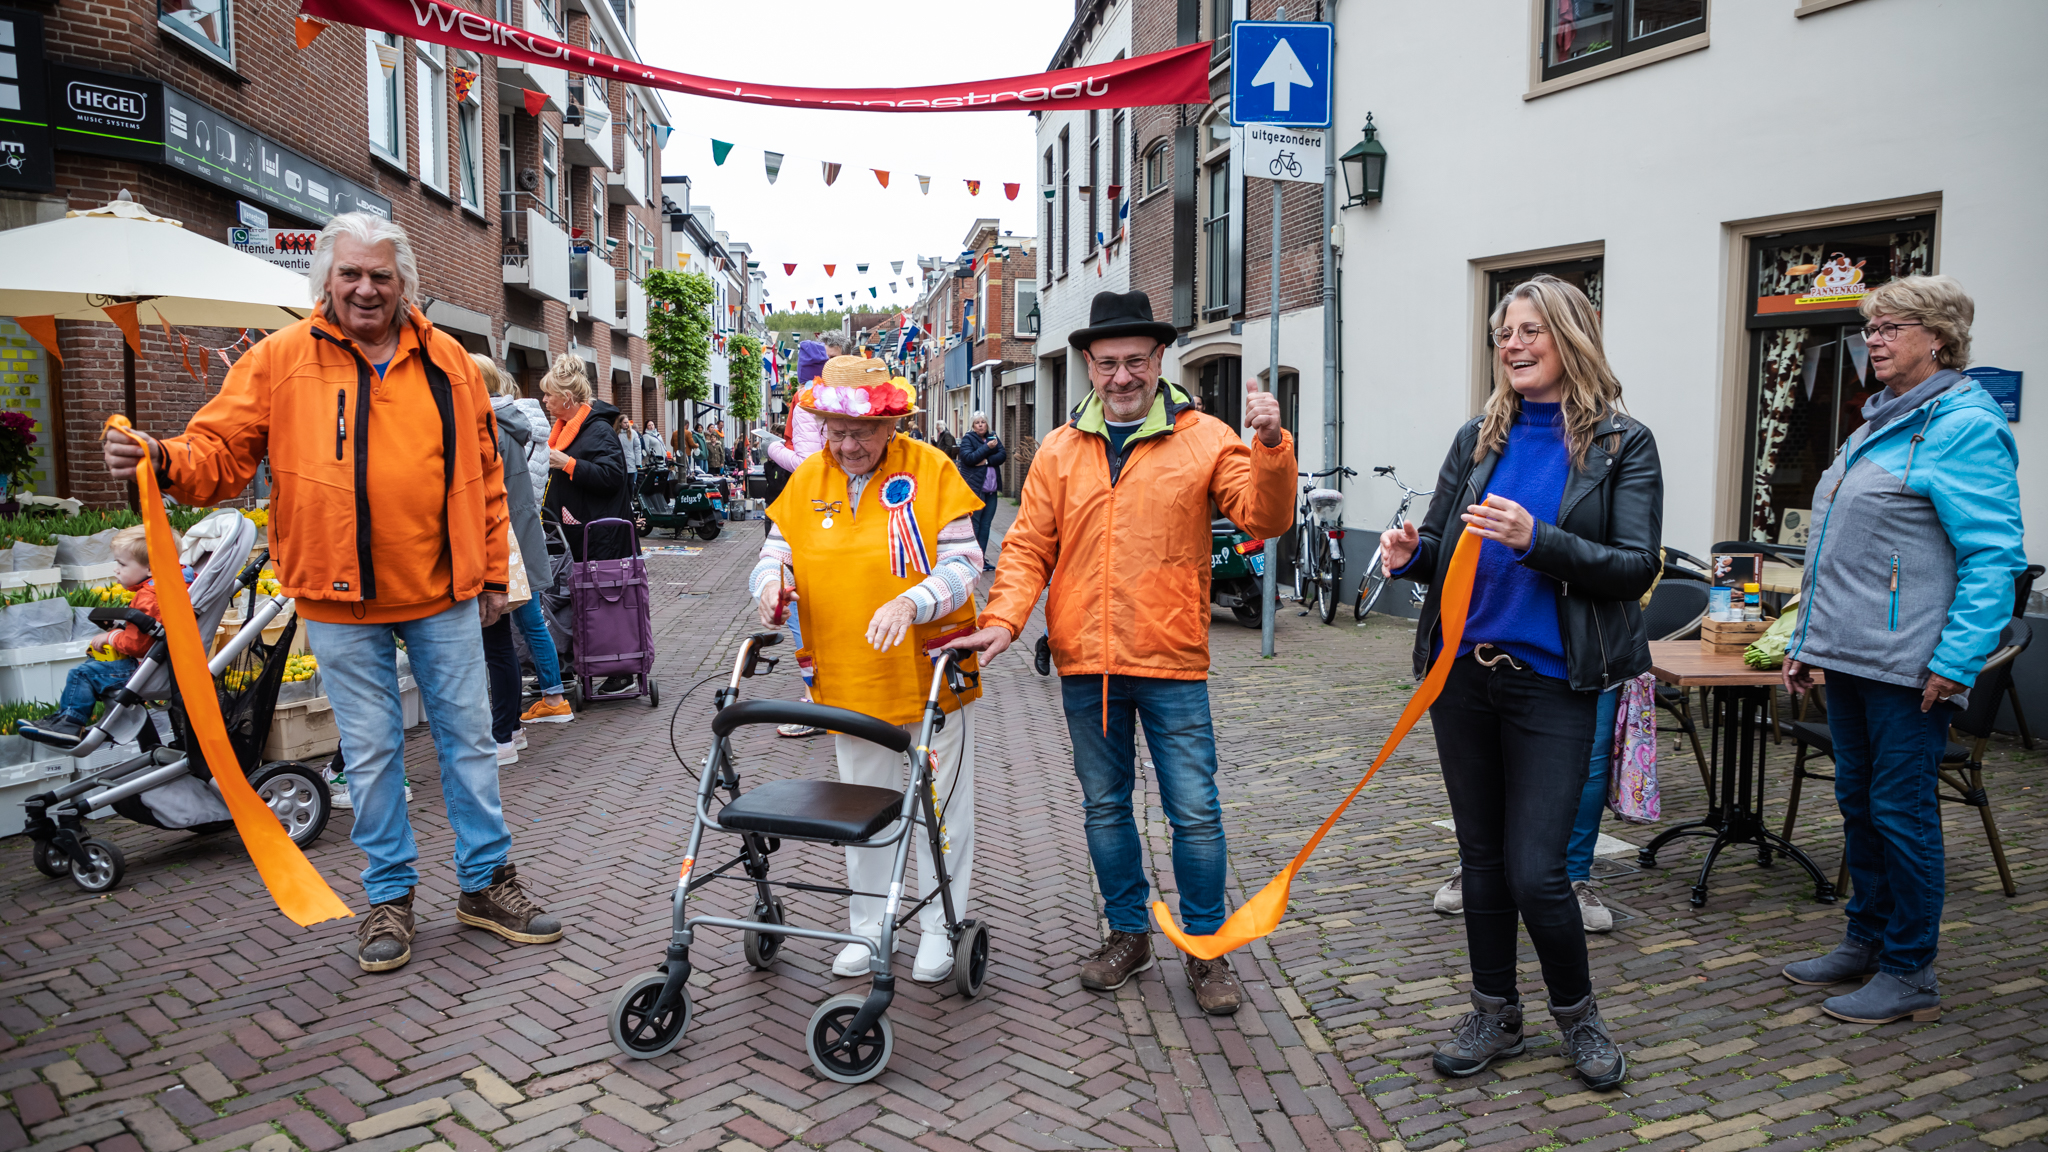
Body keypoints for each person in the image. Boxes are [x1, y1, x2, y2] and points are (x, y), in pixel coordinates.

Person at [104, 212, 560, 972]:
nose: (366, 288)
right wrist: (160, 456)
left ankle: (484, 883)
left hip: (442, 593)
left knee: (471, 745)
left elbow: (484, 478)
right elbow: (218, 453)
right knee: (374, 754)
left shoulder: (448, 360)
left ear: (404, 282)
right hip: (337, 598)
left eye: (381, 275)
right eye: (350, 273)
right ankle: (390, 896)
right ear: (326, 280)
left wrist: (488, 575)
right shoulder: (279, 360)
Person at [944, 290, 1295, 1015]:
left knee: (1194, 813)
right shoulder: (1061, 448)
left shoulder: (1206, 437)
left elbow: (1264, 515)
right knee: (1106, 809)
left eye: (1137, 360)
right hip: (1087, 664)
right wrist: (1005, 621)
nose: (1123, 376)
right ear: (1088, 365)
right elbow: (1028, 548)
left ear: (1160, 358)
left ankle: (1205, 948)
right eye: (1109, 364)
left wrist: (1269, 448)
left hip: (1171, 661)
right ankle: (1129, 934)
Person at [1377, 274, 1659, 1090]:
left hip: (1554, 681)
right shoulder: (1478, 437)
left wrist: (1541, 540)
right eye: (1506, 331)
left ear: (1570, 337)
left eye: (1532, 330)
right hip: (1464, 678)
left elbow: (1636, 567)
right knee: (1483, 863)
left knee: (1539, 869)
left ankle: (1580, 1017)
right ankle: (1495, 1012)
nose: (1514, 343)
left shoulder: (1620, 444)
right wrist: (1410, 556)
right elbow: (1440, 547)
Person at [1781, 275, 2024, 1025]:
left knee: (1901, 812)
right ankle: (1866, 942)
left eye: (1892, 326)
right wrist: (1805, 638)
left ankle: (1911, 967)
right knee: (1859, 804)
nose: (1875, 339)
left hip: (1910, 665)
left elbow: (1993, 558)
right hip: (1849, 656)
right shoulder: (1880, 420)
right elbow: (1833, 551)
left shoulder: (1963, 426)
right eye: (1871, 328)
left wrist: (1955, 662)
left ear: (1940, 339)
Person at [752, 356, 986, 983]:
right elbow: (775, 553)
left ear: (891, 424)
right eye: (834, 430)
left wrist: (912, 600)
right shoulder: (809, 479)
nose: (847, 444)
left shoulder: (929, 468)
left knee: (943, 808)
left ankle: (941, 926)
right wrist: (769, 583)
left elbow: (966, 563)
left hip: (929, 674)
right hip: (849, 674)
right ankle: (867, 927)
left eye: (859, 431)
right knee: (862, 807)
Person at [474, 356, 573, 737]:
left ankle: (546, 701)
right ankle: (547, 698)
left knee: (522, 626)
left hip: (508, 540)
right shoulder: (519, 424)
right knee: (528, 622)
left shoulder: (494, 430)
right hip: (519, 535)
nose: (546, 400)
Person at [36, 526, 172, 738]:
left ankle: (70, 724)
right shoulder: (170, 587)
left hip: (145, 669)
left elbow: (137, 645)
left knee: (82, 673)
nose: (116, 569)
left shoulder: (149, 598)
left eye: (122, 564)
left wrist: (112, 636)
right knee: (92, 666)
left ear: (150, 569)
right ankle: (64, 718)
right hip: (155, 664)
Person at [538, 353, 631, 561]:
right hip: (576, 536)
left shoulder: (598, 430)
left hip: (597, 543)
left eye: (548, 394)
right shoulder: (564, 430)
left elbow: (613, 476)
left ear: (567, 398)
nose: (544, 399)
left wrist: (570, 464)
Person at [954, 412, 1007, 566]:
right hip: (976, 488)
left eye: (983, 422)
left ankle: (981, 559)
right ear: (973, 425)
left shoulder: (993, 437)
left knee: (986, 524)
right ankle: (972, 559)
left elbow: (1002, 455)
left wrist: (985, 462)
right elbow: (968, 458)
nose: (981, 425)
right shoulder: (968, 439)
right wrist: (986, 448)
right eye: (977, 422)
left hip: (992, 489)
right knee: (975, 523)